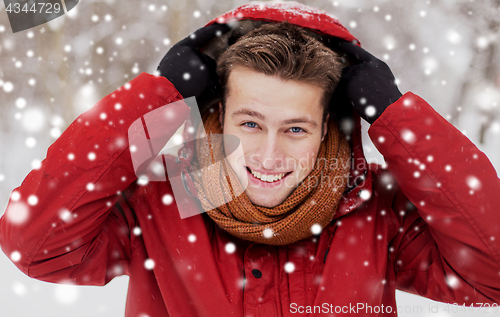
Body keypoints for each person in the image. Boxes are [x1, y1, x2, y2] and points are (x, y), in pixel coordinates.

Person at [1, 2, 499, 316]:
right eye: (250, 123)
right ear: (218, 115)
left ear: (329, 128)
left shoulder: (374, 211)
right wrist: (161, 95)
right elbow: (35, 246)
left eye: (296, 129)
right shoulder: (161, 204)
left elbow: (492, 274)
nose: (268, 155)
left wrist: (393, 115)